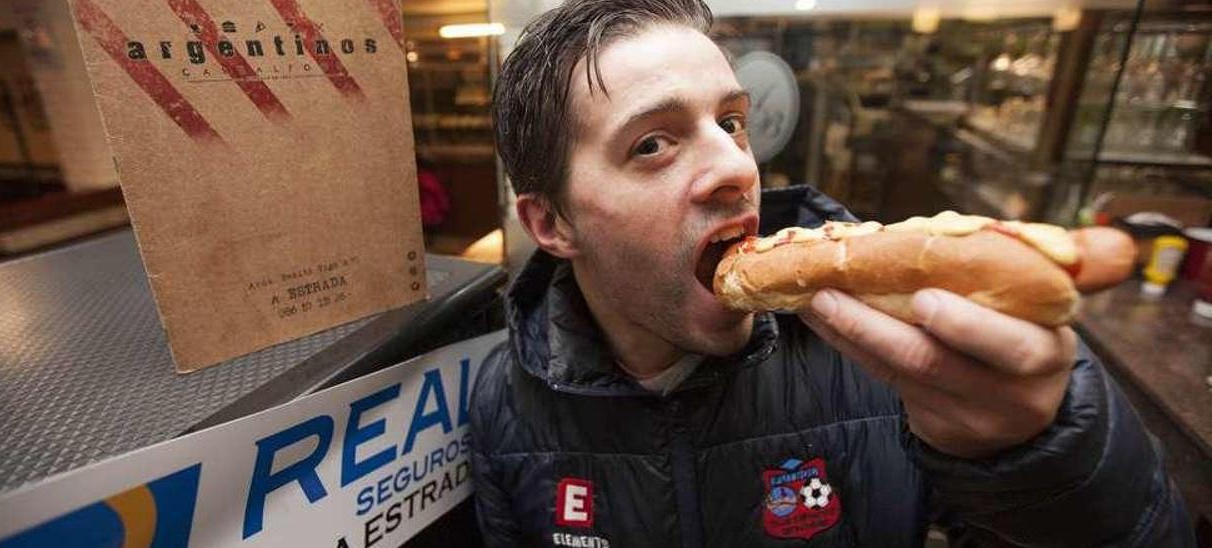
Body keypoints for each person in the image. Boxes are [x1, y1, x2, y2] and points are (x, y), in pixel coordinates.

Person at [468, 0, 1196, 545]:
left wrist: (1037, 449)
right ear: (551, 225)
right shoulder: (504, 404)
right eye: (653, 143)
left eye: (730, 122)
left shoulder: (894, 353)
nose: (734, 166)